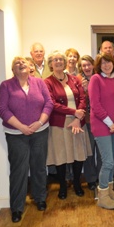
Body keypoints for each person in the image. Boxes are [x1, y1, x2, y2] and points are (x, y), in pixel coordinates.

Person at [0, 56, 53, 223]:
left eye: (23, 63)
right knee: (19, 170)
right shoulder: (6, 85)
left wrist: (40, 122)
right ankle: (17, 207)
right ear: (13, 70)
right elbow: (2, 109)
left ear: (30, 67)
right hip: (15, 134)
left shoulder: (39, 83)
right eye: (17, 64)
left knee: (39, 166)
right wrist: (21, 127)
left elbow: (49, 103)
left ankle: (40, 198)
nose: (21, 65)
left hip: (40, 131)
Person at [44, 51, 92, 200]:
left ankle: (77, 183)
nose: (58, 62)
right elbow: (52, 103)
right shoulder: (47, 82)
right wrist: (74, 112)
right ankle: (63, 186)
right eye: (55, 60)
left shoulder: (74, 79)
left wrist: (78, 116)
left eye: (61, 59)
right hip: (59, 123)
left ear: (65, 63)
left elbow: (83, 98)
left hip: (78, 122)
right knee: (61, 155)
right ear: (51, 63)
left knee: (79, 154)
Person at [88, 54, 114, 209]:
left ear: (113, 63)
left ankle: (110, 191)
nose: (106, 65)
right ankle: (102, 195)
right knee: (108, 161)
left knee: (113, 160)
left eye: (109, 62)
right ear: (99, 65)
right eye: (103, 63)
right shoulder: (96, 79)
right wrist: (111, 123)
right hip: (102, 125)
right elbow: (95, 105)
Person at [76, 55, 101, 191]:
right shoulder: (78, 81)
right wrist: (84, 91)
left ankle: (102, 177)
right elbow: (79, 100)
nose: (86, 67)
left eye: (88, 65)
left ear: (93, 65)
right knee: (90, 151)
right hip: (87, 121)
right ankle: (91, 178)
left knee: (102, 152)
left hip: (101, 121)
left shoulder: (99, 78)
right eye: (84, 65)